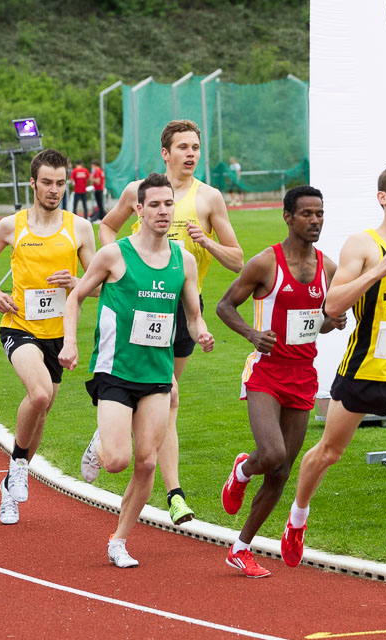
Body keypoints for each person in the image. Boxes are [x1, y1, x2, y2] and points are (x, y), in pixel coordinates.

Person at [280, 162, 386, 581]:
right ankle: (297, 518)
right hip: (363, 369)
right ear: (384, 198)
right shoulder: (363, 244)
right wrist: (377, 270)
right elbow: (332, 306)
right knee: (329, 453)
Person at [59, 173, 214, 567]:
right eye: (155, 205)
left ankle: (119, 540)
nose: (163, 211)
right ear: (139, 210)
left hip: (158, 375)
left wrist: (202, 333)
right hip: (115, 370)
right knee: (117, 461)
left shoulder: (185, 260)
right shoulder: (115, 255)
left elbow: (193, 317)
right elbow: (76, 297)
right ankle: (100, 443)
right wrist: (70, 342)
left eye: (169, 205)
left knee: (146, 462)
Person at [99, 119, 243, 525]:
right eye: (182, 146)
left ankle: (115, 425)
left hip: (182, 309)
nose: (191, 153)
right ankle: (175, 493)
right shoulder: (137, 192)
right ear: (165, 153)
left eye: (195, 146)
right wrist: (122, 271)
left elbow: (238, 260)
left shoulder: (210, 198)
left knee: (164, 400)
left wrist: (206, 241)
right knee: (169, 392)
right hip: (139, 304)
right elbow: (106, 226)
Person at [215, 185, 344, 578]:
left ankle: (241, 547)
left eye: (320, 213)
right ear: (288, 217)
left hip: (304, 375)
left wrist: (332, 321)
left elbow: (318, 323)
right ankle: (241, 471)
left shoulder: (329, 267)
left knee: (283, 471)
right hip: (266, 374)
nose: (315, 221)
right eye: (306, 214)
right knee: (270, 455)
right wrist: (252, 335)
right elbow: (224, 306)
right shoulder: (265, 263)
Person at [0, 148, 97, 525]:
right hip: (19, 325)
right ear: (33, 182)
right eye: (47, 182)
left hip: (59, 333)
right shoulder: (13, 225)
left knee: (42, 411)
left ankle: (9, 487)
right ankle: (19, 466)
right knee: (39, 393)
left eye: (60, 183)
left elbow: (98, 281)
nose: (54, 189)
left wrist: (77, 282)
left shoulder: (80, 227)